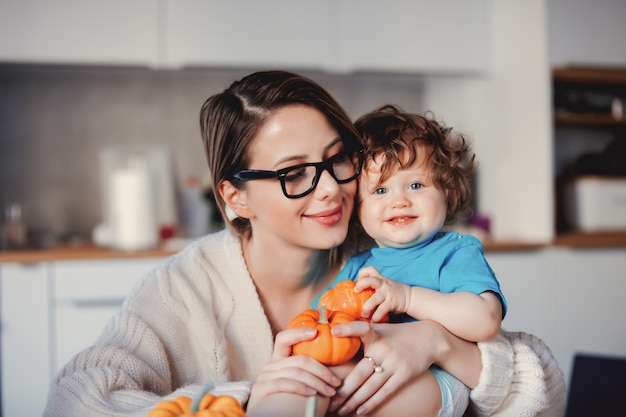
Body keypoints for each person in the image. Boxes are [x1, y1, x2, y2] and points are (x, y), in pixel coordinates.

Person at [43, 70, 567, 417]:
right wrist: (257, 399)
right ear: (235, 196)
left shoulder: (380, 248)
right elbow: (74, 400)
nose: (329, 188)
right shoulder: (188, 286)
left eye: (338, 160)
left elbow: (546, 384)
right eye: (294, 173)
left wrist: (438, 342)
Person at [312, 105, 506, 417]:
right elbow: (325, 327)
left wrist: (408, 297)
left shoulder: (455, 251)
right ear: (358, 207)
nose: (399, 200)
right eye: (380, 189)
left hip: (438, 378)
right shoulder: (358, 267)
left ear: (446, 190)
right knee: (318, 382)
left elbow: (486, 320)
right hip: (373, 373)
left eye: (416, 185)